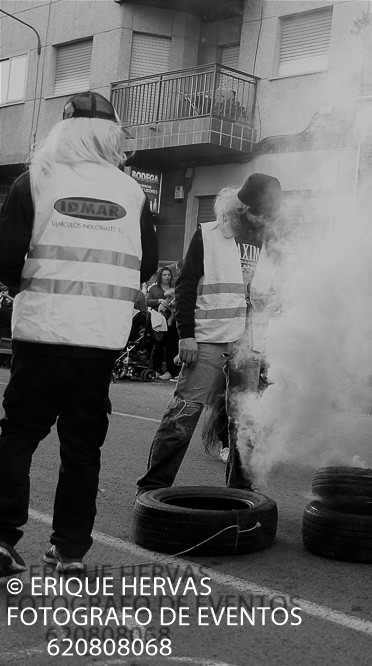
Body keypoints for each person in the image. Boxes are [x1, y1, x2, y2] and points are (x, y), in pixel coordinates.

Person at [0, 92, 157, 576]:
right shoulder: (132, 193)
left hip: (42, 334)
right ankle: (70, 550)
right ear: (111, 134)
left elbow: (5, 257)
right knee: (83, 448)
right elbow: (147, 264)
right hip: (98, 343)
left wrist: (21, 282)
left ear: (62, 132)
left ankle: (3, 541)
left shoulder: (37, 180)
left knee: (18, 438)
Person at [137, 173, 282, 495]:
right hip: (208, 338)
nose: (263, 217)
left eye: (269, 212)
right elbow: (186, 286)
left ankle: (242, 494)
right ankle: (152, 489)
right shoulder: (210, 235)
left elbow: (275, 290)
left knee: (244, 420)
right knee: (184, 413)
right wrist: (185, 335)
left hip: (251, 343)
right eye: (259, 210)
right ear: (243, 206)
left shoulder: (273, 243)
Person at [147, 266, 179, 380]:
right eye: (164, 275)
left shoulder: (174, 288)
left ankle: (171, 371)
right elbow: (147, 301)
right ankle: (157, 370)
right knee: (158, 346)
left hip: (172, 321)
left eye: (169, 275)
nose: (167, 277)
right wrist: (159, 301)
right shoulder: (154, 288)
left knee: (172, 346)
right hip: (159, 322)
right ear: (160, 276)